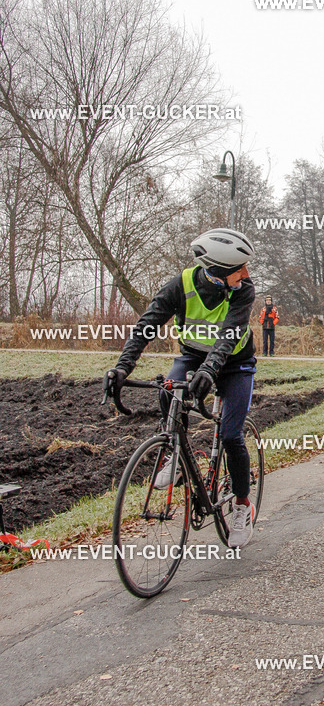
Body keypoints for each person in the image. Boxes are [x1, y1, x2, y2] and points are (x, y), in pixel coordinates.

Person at [103, 228, 258, 546]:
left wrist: (210, 371)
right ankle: (174, 455)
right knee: (167, 390)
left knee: (230, 435)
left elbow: (229, 335)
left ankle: (242, 506)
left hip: (235, 365)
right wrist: (122, 367)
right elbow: (146, 326)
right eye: (239, 268)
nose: (245, 273)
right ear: (216, 271)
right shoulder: (181, 285)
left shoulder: (244, 290)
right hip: (192, 357)